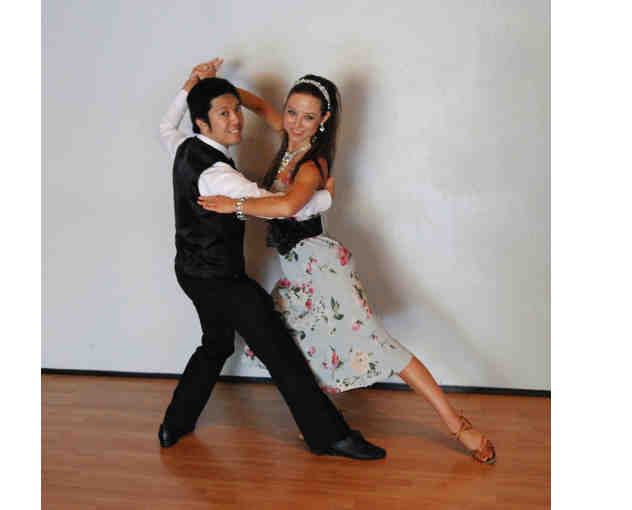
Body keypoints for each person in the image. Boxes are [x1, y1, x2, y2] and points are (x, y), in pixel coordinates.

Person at [198, 72, 496, 464]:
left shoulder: (312, 165)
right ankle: (319, 420)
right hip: (298, 273)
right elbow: (256, 105)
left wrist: (233, 205)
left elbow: (287, 207)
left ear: (323, 120)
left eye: (308, 117)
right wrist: (215, 87)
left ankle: (458, 425)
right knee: (292, 342)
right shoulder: (288, 137)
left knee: (381, 346)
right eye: (291, 112)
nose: (296, 123)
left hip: (321, 269)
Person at [156, 59, 386, 460]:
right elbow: (283, 207)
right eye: (223, 114)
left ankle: (175, 423)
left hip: (190, 272)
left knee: (216, 344)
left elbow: (165, 126)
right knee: (281, 353)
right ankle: (329, 436)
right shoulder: (220, 177)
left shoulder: (183, 146)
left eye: (236, 110)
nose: (236, 120)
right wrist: (326, 198)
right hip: (222, 280)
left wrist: (190, 84)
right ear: (202, 123)